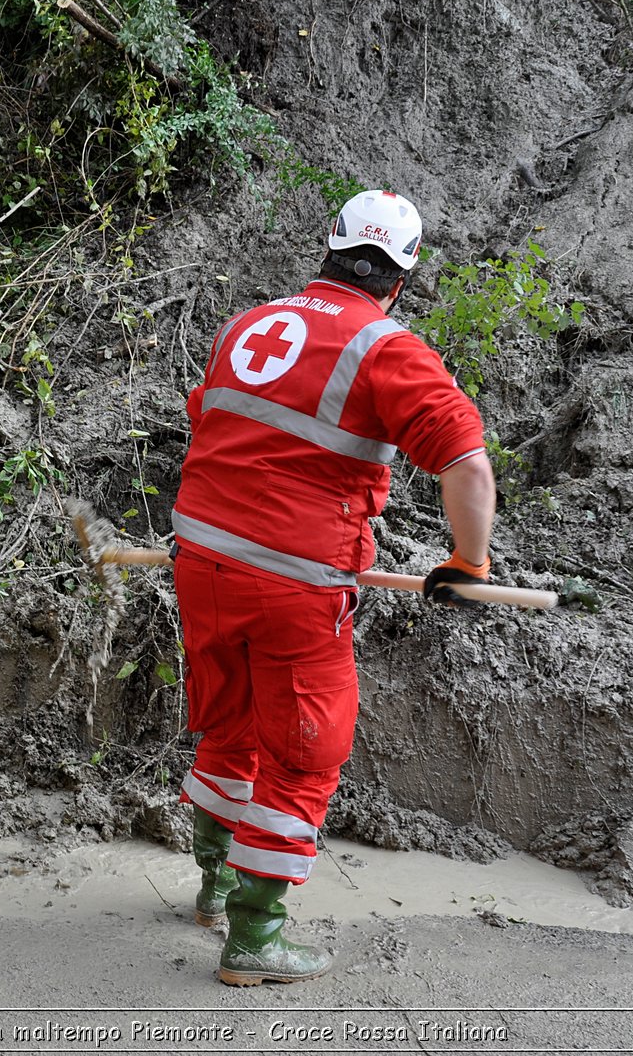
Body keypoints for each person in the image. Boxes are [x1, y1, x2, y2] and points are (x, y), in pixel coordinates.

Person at [170, 190, 496, 985]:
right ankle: (254, 935)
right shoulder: (389, 349)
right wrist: (469, 562)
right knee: (307, 752)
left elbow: (213, 426)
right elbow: (466, 464)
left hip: (200, 559)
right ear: (402, 279)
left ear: (329, 248)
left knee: (230, 724)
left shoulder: (245, 325)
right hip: (294, 582)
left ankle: (214, 886)